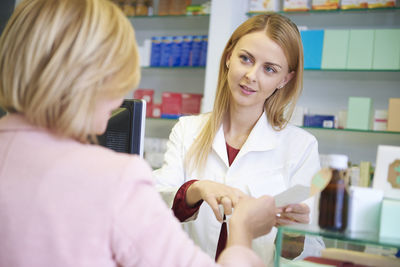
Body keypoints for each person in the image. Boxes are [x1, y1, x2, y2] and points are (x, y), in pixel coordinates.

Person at [0, 0, 277, 266]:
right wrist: (242, 231)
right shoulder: (114, 178)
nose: (119, 99)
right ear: (91, 79)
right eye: (119, 80)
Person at [154, 13, 322, 266]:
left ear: (284, 79)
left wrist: (295, 233)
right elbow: (153, 202)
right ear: (229, 57)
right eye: (246, 59)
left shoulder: (301, 147)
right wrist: (196, 189)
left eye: (269, 69)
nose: (252, 76)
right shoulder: (187, 130)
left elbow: (312, 249)